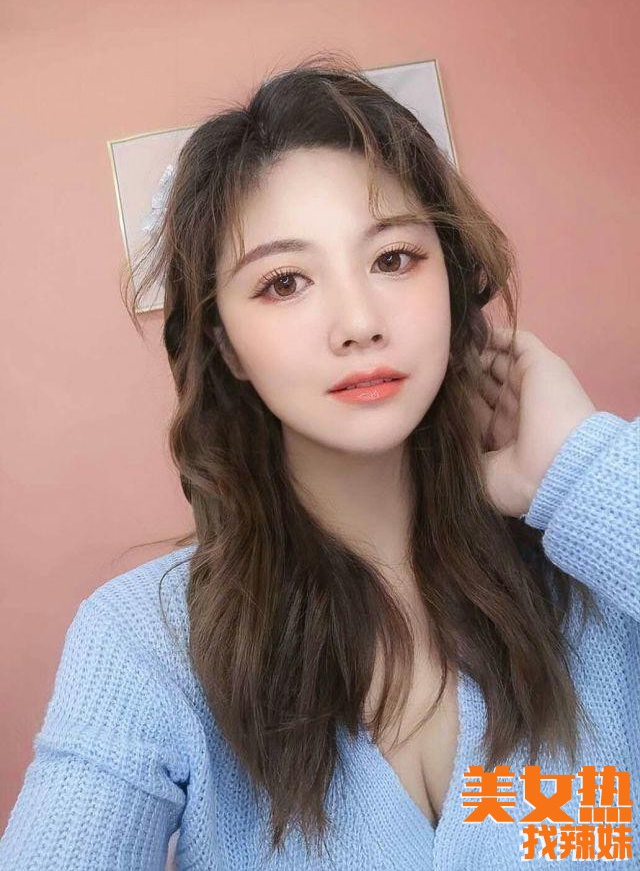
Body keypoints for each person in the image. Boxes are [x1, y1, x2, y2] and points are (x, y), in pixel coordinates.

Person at [1, 53, 638, 870]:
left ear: (452, 286)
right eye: (284, 282)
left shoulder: (597, 554)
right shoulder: (144, 640)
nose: (358, 321)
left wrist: (580, 471)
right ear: (227, 345)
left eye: (393, 259)